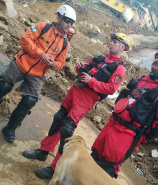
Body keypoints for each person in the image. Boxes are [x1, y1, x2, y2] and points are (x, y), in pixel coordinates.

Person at [22, 33, 130, 179]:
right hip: (75, 91)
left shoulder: (119, 68)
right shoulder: (100, 58)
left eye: (115, 42)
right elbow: (85, 70)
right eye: (111, 41)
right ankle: (43, 151)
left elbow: (111, 89)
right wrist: (80, 68)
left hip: (87, 98)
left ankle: (55, 168)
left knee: (67, 130)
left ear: (122, 47)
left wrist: (91, 81)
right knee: (58, 118)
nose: (111, 44)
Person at [90, 46, 158, 178]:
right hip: (111, 126)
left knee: (105, 171)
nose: (157, 60)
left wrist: (141, 137)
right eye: (157, 57)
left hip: (126, 135)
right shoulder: (141, 79)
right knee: (92, 159)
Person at [0, 5, 76, 143]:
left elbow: (60, 63)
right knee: (4, 85)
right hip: (21, 63)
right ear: (59, 17)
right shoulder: (43, 27)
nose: (69, 24)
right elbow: (24, 39)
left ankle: (10, 128)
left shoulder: (65, 44)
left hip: (37, 74)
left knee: (30, 100)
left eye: (71, 22)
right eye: (67, 20)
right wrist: (40, 54)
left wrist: (53, 64)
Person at [15, 27, 76, 92]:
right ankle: (22, 86)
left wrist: (53, 63)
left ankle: (22, 86)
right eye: (70, 36)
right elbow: (67, 59)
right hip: (39, 59)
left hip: (44, 63)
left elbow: (63, 60)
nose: (70, 37)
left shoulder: (65, 44)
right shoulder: (65, 43)